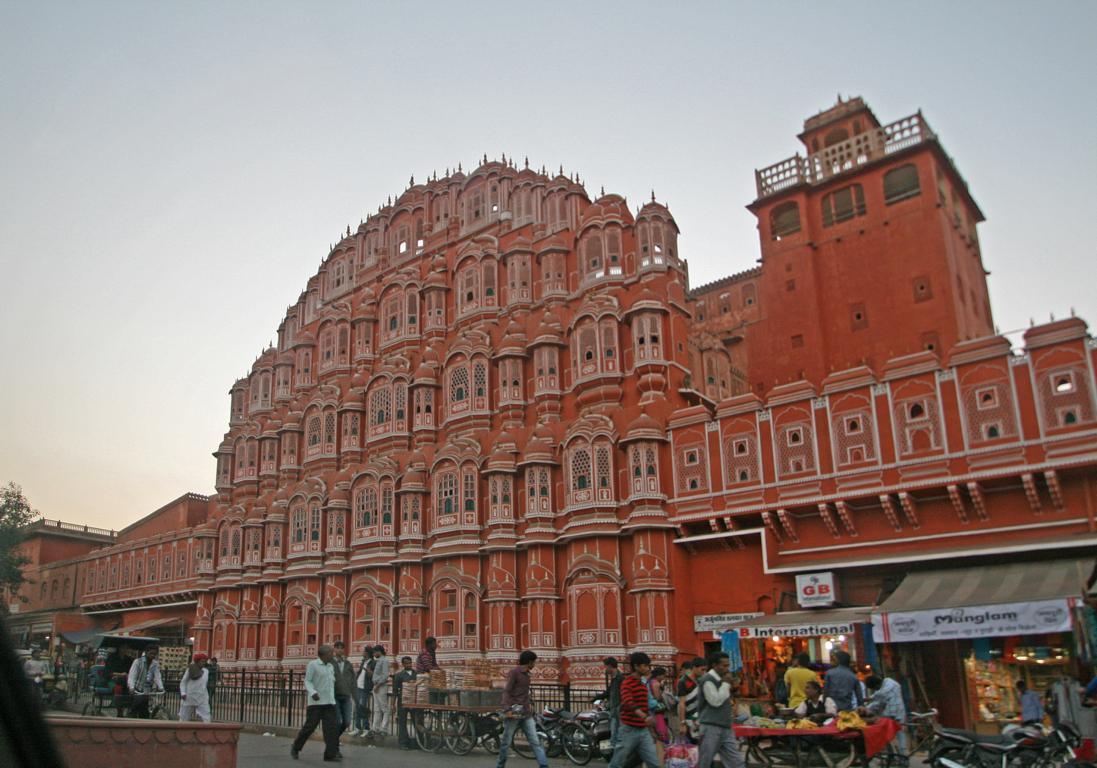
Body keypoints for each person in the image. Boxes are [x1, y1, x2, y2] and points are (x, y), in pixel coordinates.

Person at [496, 650, 550, 768]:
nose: (534, 664)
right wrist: (507, 709)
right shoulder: (514, 673)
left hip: (525, 713)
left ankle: (544, 765)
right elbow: (507, 691)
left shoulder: (527, 675)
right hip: (514, 713)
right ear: (529, 662)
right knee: (506, 742)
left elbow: (524, 693)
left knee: (535, 741)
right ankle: (500, 765)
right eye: (534, 662)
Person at [608, 651, 660, 768]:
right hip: (628, 730)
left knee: (654, 763)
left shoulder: (642, 685)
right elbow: (628, 702)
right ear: (636, 666)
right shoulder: (627, 683)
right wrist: (644, 717)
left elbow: (645, 708)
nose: (648, 669)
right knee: (617, 763)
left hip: (643, 731)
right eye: (645, 666)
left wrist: (651, 730)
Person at [696, 651, 746, 768]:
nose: (727, 669)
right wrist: (726, 684)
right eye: (724, 666)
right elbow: (715, 701)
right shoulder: (707, 680)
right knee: (705, 761)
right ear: (714, 665)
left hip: (725, 726)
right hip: (711, 727)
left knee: (736, 762)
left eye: (728, 665)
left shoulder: (721, 680)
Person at [291, 644, 340, 762]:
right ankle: (296, 747)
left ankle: (330, 754)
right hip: (316, 703)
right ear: (324, 655)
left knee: (331, 729)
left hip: (329, 703)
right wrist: (313, 692)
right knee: (309, 727)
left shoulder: (330, 666)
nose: (332, 655)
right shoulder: (313, 665)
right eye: (330, 653)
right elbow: (307, 681)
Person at [861, 675, 907, 753]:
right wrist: (867, 706)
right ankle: (898, 755)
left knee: (894, 734)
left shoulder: (887, 688)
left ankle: (898, 755)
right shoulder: (886, 685)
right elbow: (878, 700)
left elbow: (880, 698)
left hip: (894, 714)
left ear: (877, 685)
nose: (875, 690)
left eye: (875, 688)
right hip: (894, 713)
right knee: (893, 734)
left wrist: (868, 702)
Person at [126, 645, 164, 718]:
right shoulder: (137, 662)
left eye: (155, 654)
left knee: (145, 710)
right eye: (151, 653)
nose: (153, 656)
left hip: (147, 690)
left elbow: (157, 676)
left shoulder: (155, 664)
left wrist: (161, 687)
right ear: (146, 653)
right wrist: (131, 687)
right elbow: (132, 676)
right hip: (136, 689)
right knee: (136, 705)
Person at [331, 641, 356, 740]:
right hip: (334, 695)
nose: (340, 649)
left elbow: (352, 677)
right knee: (337, 721)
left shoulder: (347, 663)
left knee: (347, 722)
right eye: (338, 647)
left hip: (346, 695)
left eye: (342, 648)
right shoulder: (330, 663)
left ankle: (334, 739)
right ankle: (335, 746)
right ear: (334, 649)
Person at [677, 657, 707, 742]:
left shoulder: (702, 680)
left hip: (702, 718)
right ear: (694, 667)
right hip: (690, 719)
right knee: (694, 746)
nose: (704, 672)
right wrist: (682, 723)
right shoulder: (683, 682)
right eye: (702, 669)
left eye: (705, 670)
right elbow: (681, 704)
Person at [392, 656, 417, 749]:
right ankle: (403, 742)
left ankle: (420, 740)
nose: (409, 665)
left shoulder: (416, 674)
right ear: (403, 664)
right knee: (402, 722)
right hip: (402, 701)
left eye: (410, 663)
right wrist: (393, 704)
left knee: (416, 720)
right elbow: (395, 690)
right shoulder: (399, 675)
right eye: (406, 663)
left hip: (414, 701)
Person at [179, 653, 212, 723]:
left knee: (207, 717)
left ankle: (206, 732)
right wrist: (183, 693)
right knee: (183, 718)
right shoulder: (190, 670)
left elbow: (204, 685)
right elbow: (183, 682)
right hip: (189, 696)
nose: (203, 663)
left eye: (204, 661)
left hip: (202, 697)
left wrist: (206, 696)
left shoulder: (206, 671)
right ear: (197, 661)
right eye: (202, 661)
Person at [603, 656, 624, 750]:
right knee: (614, 730)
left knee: (618, 730)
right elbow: (609, 691)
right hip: (614, 708)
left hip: (619, 708)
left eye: (606, 666)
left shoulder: (620, 678)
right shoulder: (615, 678)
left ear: (610, 666)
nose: (605, 669)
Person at [648, 666, 671, 747]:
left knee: (656, 728)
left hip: (652, 709)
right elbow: (658, 697)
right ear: (658, 675)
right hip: (657, 709)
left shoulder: (650, 681)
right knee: (661, 728)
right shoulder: (656, 683)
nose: (664, 678)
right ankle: (663, 745)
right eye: (663, 676)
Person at [371, 644, 391, 735]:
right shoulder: (379, 660)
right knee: (377, 708)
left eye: (375, 652)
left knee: (384, 708)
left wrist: (378, 685)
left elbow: (385, 675)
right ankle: (375, 728)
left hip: (380, 686)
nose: (374, 654)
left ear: (379, 651)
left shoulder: (385, 661)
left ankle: (384, 728)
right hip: (376, 685)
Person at [354, 647, 373, 736]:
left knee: (363, 708)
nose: (363, 652)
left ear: (368, 653)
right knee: (357, 708)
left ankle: (366, 728)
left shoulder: (372, 663)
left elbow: (372, 675)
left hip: (365, 688)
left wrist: (369, 672)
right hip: (358, 686)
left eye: (364, 651)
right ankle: (357, 727)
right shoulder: (363, 662)